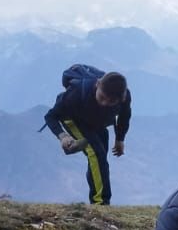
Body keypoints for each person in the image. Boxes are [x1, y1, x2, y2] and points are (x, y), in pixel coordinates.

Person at [44, 68, 131, 205]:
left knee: (100, 157)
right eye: (102, 97)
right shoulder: (76, 93)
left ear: (122, 98)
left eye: (111, 102)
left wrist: (120, 139)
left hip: (95, 122)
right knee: (96, 154)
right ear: (97, 85)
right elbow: (50, 116)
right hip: (72, 118)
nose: (104, 103)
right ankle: (100, 203)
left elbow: (124, 116)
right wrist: (63, 136)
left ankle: (82, 144)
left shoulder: (124, 97)